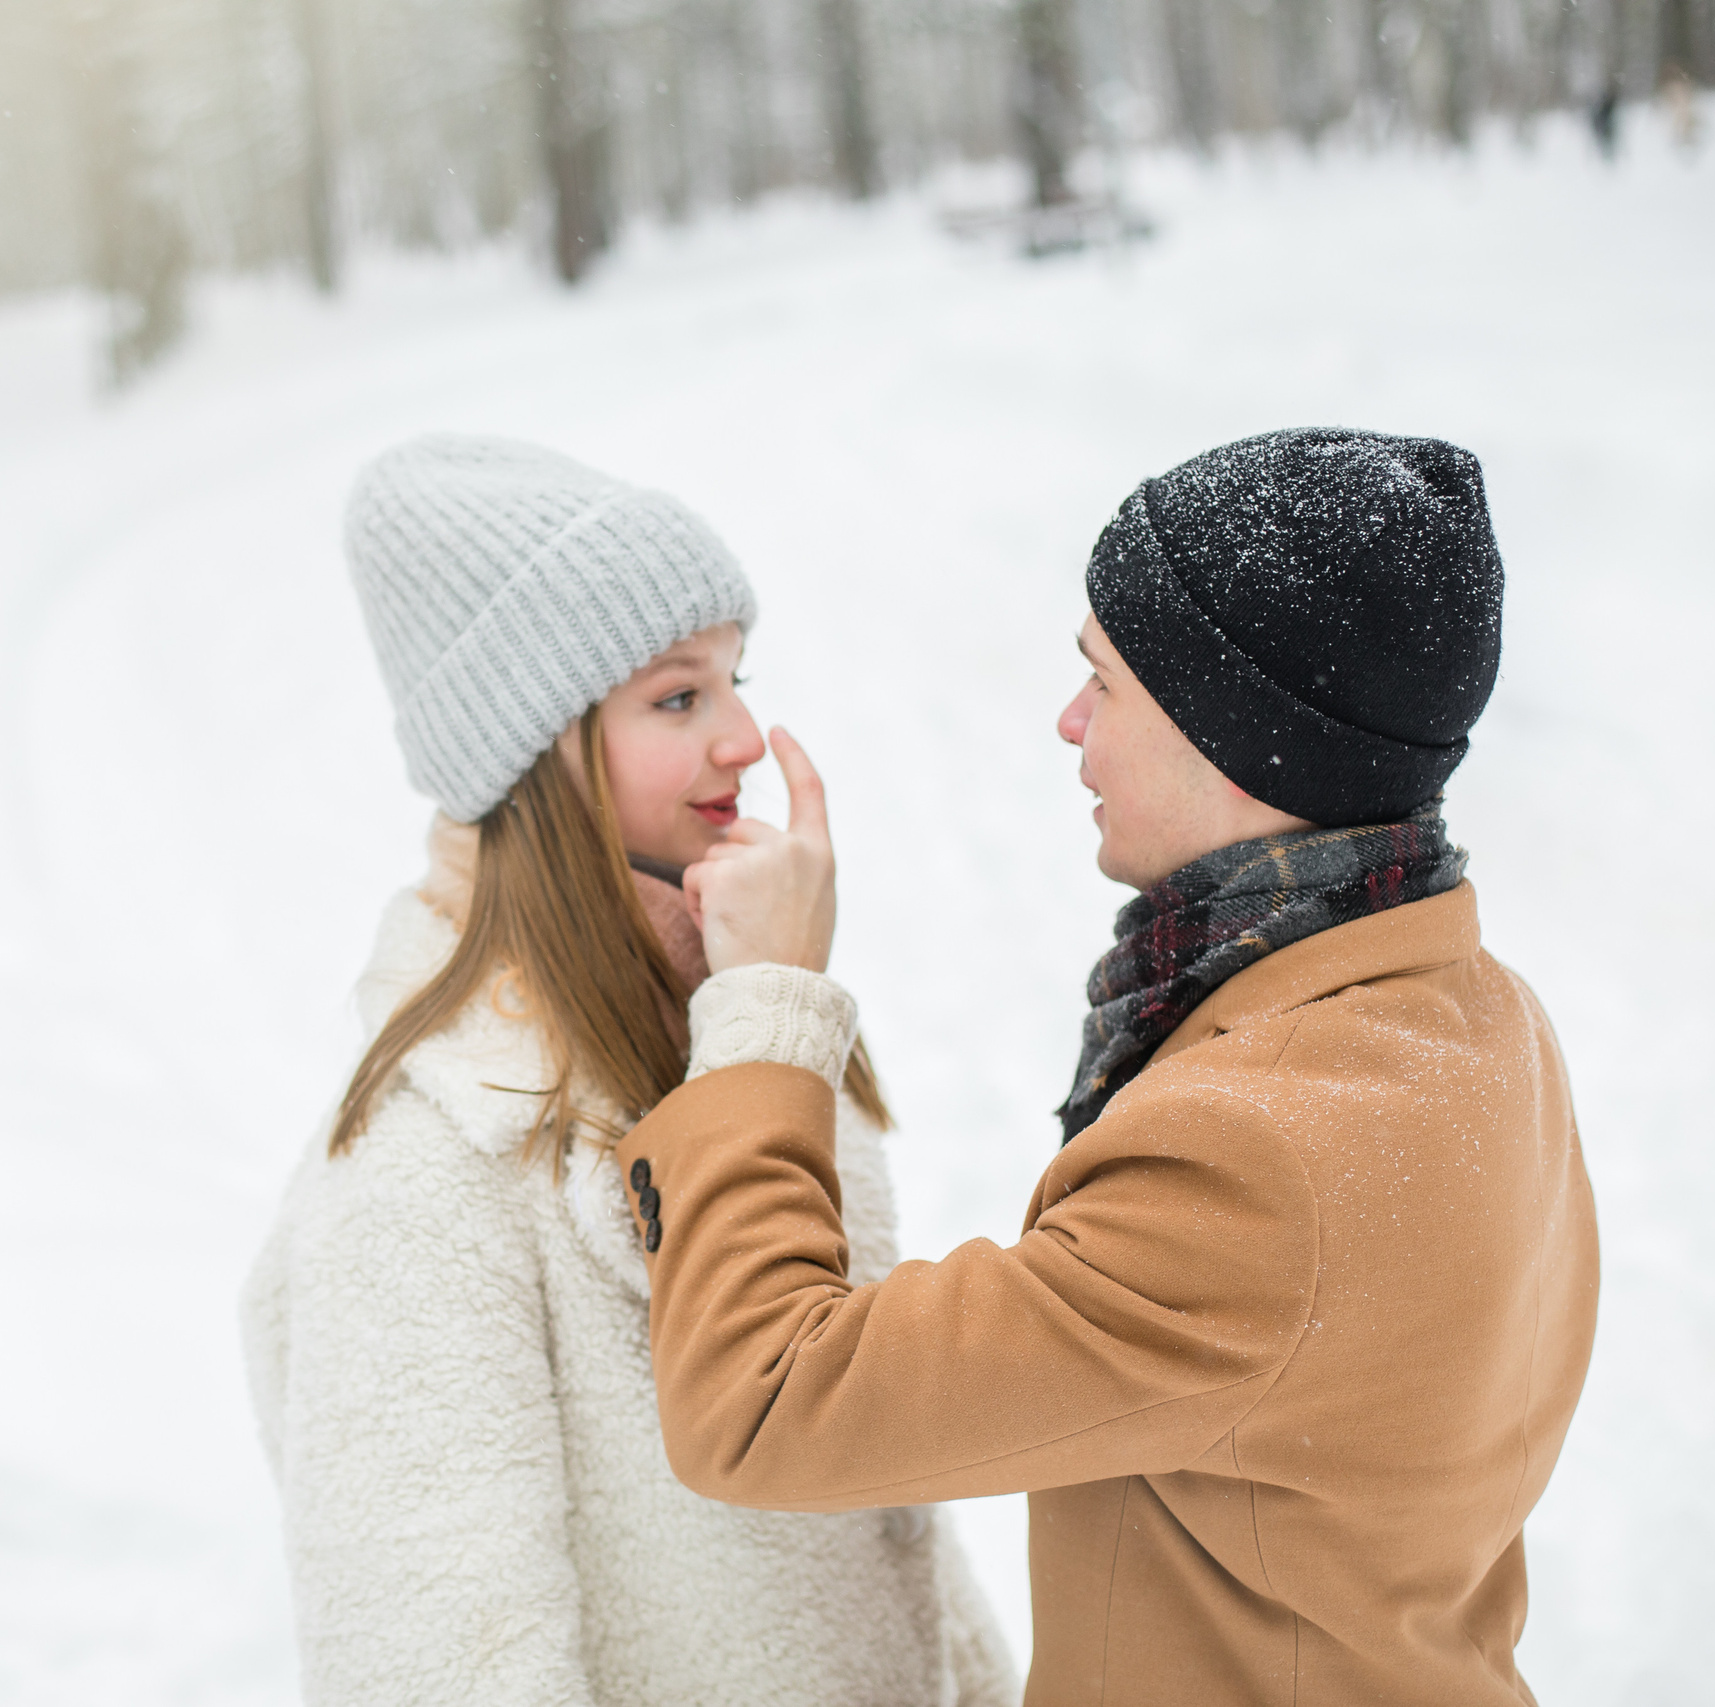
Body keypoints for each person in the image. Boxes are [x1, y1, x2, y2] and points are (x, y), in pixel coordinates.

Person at [620, 428, 1601, 1705]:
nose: (1069, 720)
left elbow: (763, 1403)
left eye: (1106, 681)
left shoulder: (1263, 1156)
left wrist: (766, 1007)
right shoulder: (1473, 1015)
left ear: (1237, 732)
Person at [240, 435, 1017, 1707]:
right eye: (678, 698)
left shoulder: (734, 1023)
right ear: (536, 751)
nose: (746, 738)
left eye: (734, 681)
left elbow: (882, 1532)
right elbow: (437, 1661)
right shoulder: (428, 1166)